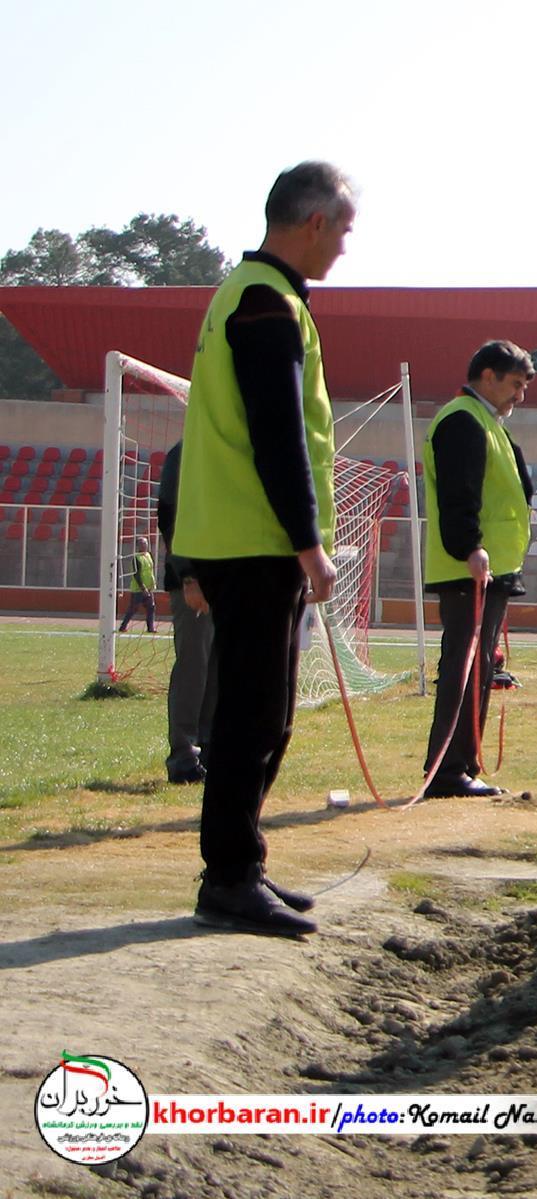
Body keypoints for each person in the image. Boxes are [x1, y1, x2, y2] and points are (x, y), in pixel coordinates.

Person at [171, 161, 357, 938]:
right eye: (343, 231)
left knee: (264, 709)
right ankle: (229, 876)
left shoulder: (254, 295)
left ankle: (242, 862)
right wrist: (308, 544)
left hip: (243, 538)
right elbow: (280, 434)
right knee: (253, 711)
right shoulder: (264, 303)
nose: (345, 247)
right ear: (312, 222)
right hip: (252, 541)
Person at [419, 339, 535, 800]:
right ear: (487, 375)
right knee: (463, 668)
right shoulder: (463, 421)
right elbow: (457, 492)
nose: (520, 396)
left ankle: (462, 763)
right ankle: (447, 770)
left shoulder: (487, 422)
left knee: (479, 666)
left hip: (490, 569)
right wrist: (470, 547)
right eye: (515, 384)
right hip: (471, 568)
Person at [157, 441, 216, 785]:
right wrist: (189, 576)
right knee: (194, 667)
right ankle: (184, 755)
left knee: (216, 668)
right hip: (193, 582)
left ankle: (208, 748)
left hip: (225, 580)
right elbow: (171, 516)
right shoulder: (183, 454)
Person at [119, 537, 157, 632]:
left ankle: (150, 628)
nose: (145, 546)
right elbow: (136, 575)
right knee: (133, 608)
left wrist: (152, 584)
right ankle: (123, 626)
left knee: (151, 607)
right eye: (143, 544)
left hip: (148, 587)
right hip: (138, 589)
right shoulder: (136, 558)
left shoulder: (148, 555)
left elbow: (150, 571)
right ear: (138, 546)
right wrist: (143, 588)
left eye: (146, 544)